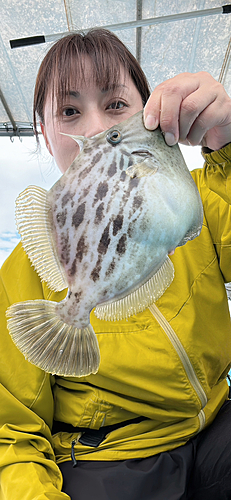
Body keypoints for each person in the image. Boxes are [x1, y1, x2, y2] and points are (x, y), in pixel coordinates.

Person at [1, 28, 231, 500]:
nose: (96, 130)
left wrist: (226, 146)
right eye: (69, 111)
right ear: (46, 134)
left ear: (153, 112)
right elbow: (12, 435)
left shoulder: (200, 199)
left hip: (217, 423)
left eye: (116, 105)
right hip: (111, 459)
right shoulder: (21, 273)